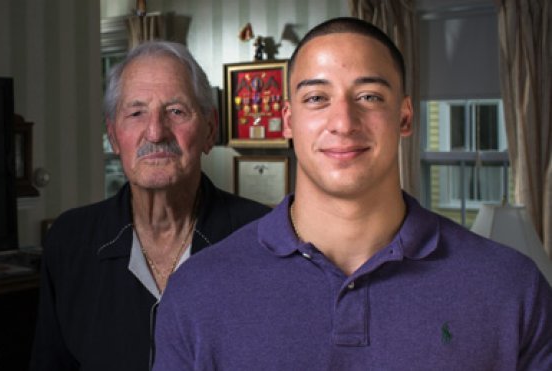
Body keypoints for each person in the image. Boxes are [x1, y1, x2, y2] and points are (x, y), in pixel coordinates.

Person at [153, 17, 552, 370]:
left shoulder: (513, 288)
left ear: (406, 116)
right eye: (316, 99)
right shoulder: (197, 291)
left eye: (369, 97)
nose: (343, 122)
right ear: (289, 122)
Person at [29, 41, 270, 370]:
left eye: (176, 111)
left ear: (210, 129)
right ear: (114, 136)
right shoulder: (71, 240)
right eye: (136, 112)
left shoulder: (264, 238)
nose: (156, 132)